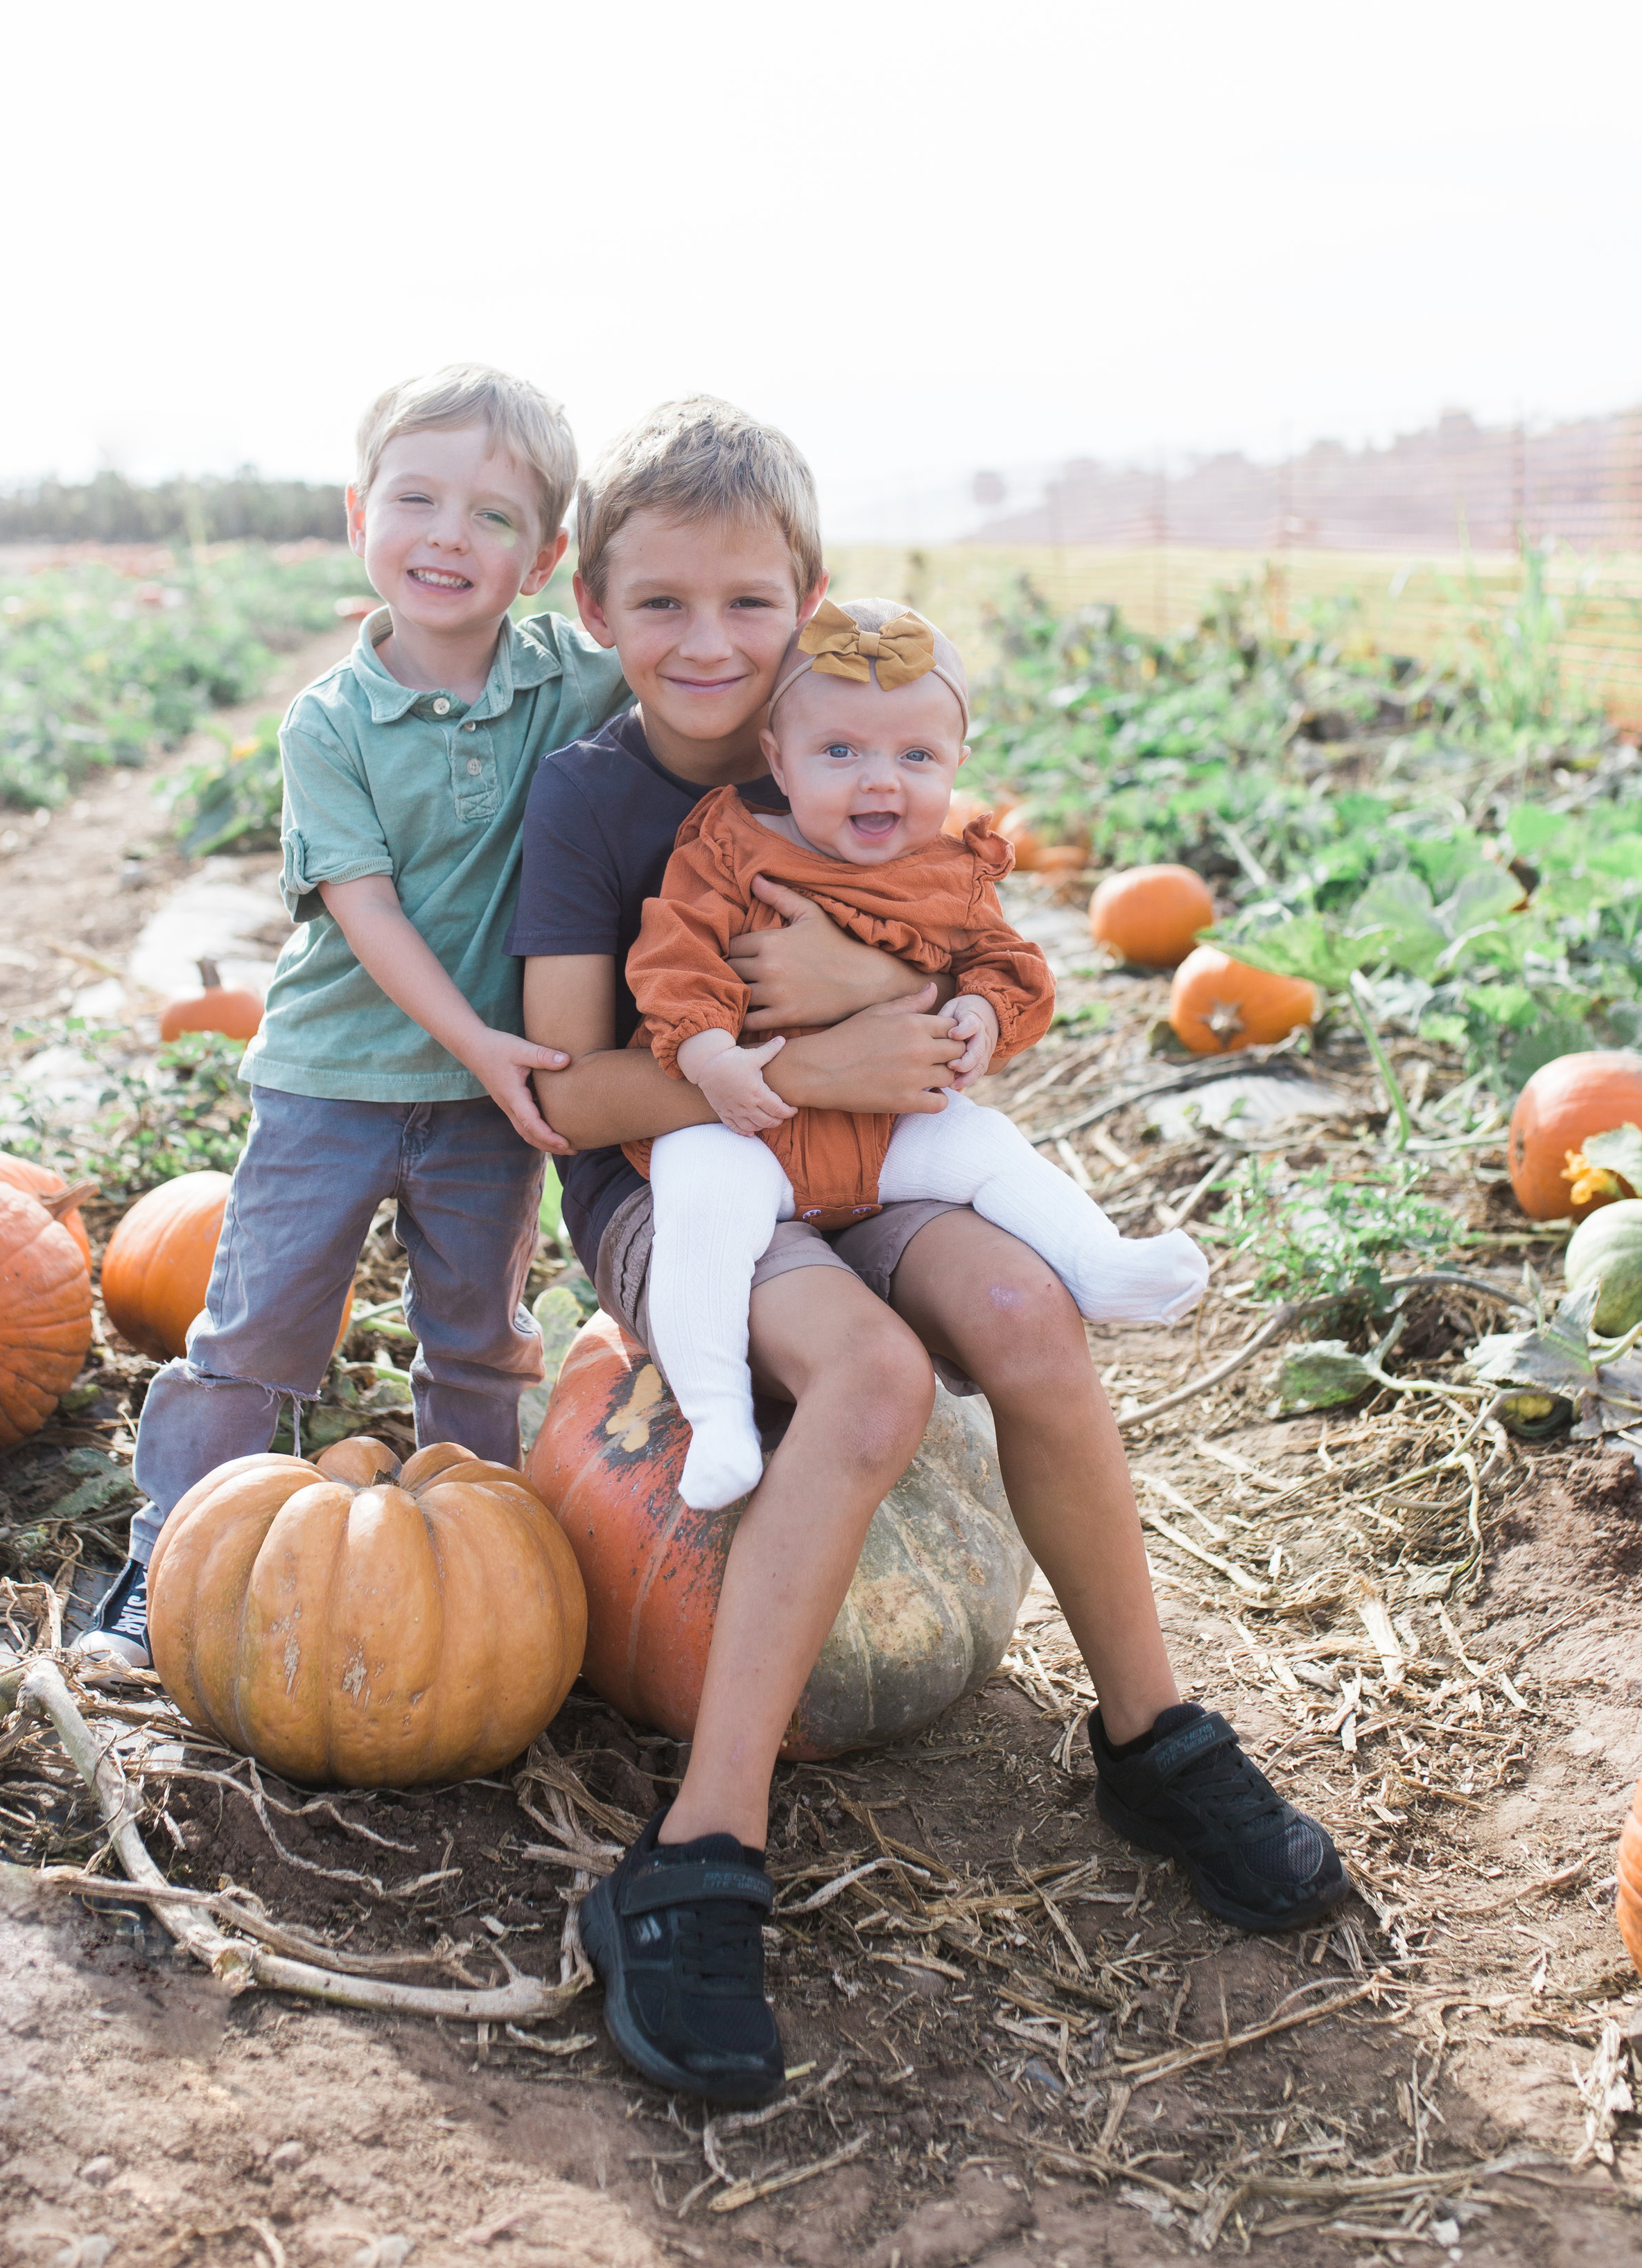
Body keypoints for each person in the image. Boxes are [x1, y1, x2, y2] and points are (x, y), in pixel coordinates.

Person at [508, 395, 1347, 2110]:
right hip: (682, 1174)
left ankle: (1149, 1737)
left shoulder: (854, 742)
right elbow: (561, 1095)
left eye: (747, 603)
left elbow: (977, 957)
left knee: (1030, 1314)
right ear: (597, 607)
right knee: (877, 1378)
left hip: (873, 1150)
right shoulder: (587, 803)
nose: (707, 642)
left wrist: (902, 1006)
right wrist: (807, 1052)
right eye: (659, 604)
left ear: (808, 595)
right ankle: (697, 1845)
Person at [77, 361, 629, 1666]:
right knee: (259, 1330)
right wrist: (484, 1038)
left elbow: (687, 689)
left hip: (486, 1102)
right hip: (334, 1078)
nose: (449, 534)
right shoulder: (328, 722)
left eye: (494, 516)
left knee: (480, 1342)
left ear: (547, 555)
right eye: (418, 499)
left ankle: (477, 1575)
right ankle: (171, 1557)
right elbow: (366, 908)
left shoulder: (570, 684)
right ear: (358, 515)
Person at [623, 595, 1208, 1510]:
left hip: (888, 1132)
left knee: (986, 1146)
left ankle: (1096, 1260)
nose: (881, 782)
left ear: (958, 764)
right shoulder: (730, 853)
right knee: (697, 1197)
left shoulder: (948, 872)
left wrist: (979, 1009)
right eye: (841, 752)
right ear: (778, 758)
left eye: (916, 756)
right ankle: (718, 1418)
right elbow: (674, 961)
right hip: (754, 1129)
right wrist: (708, 1058)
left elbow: (1012, 968)